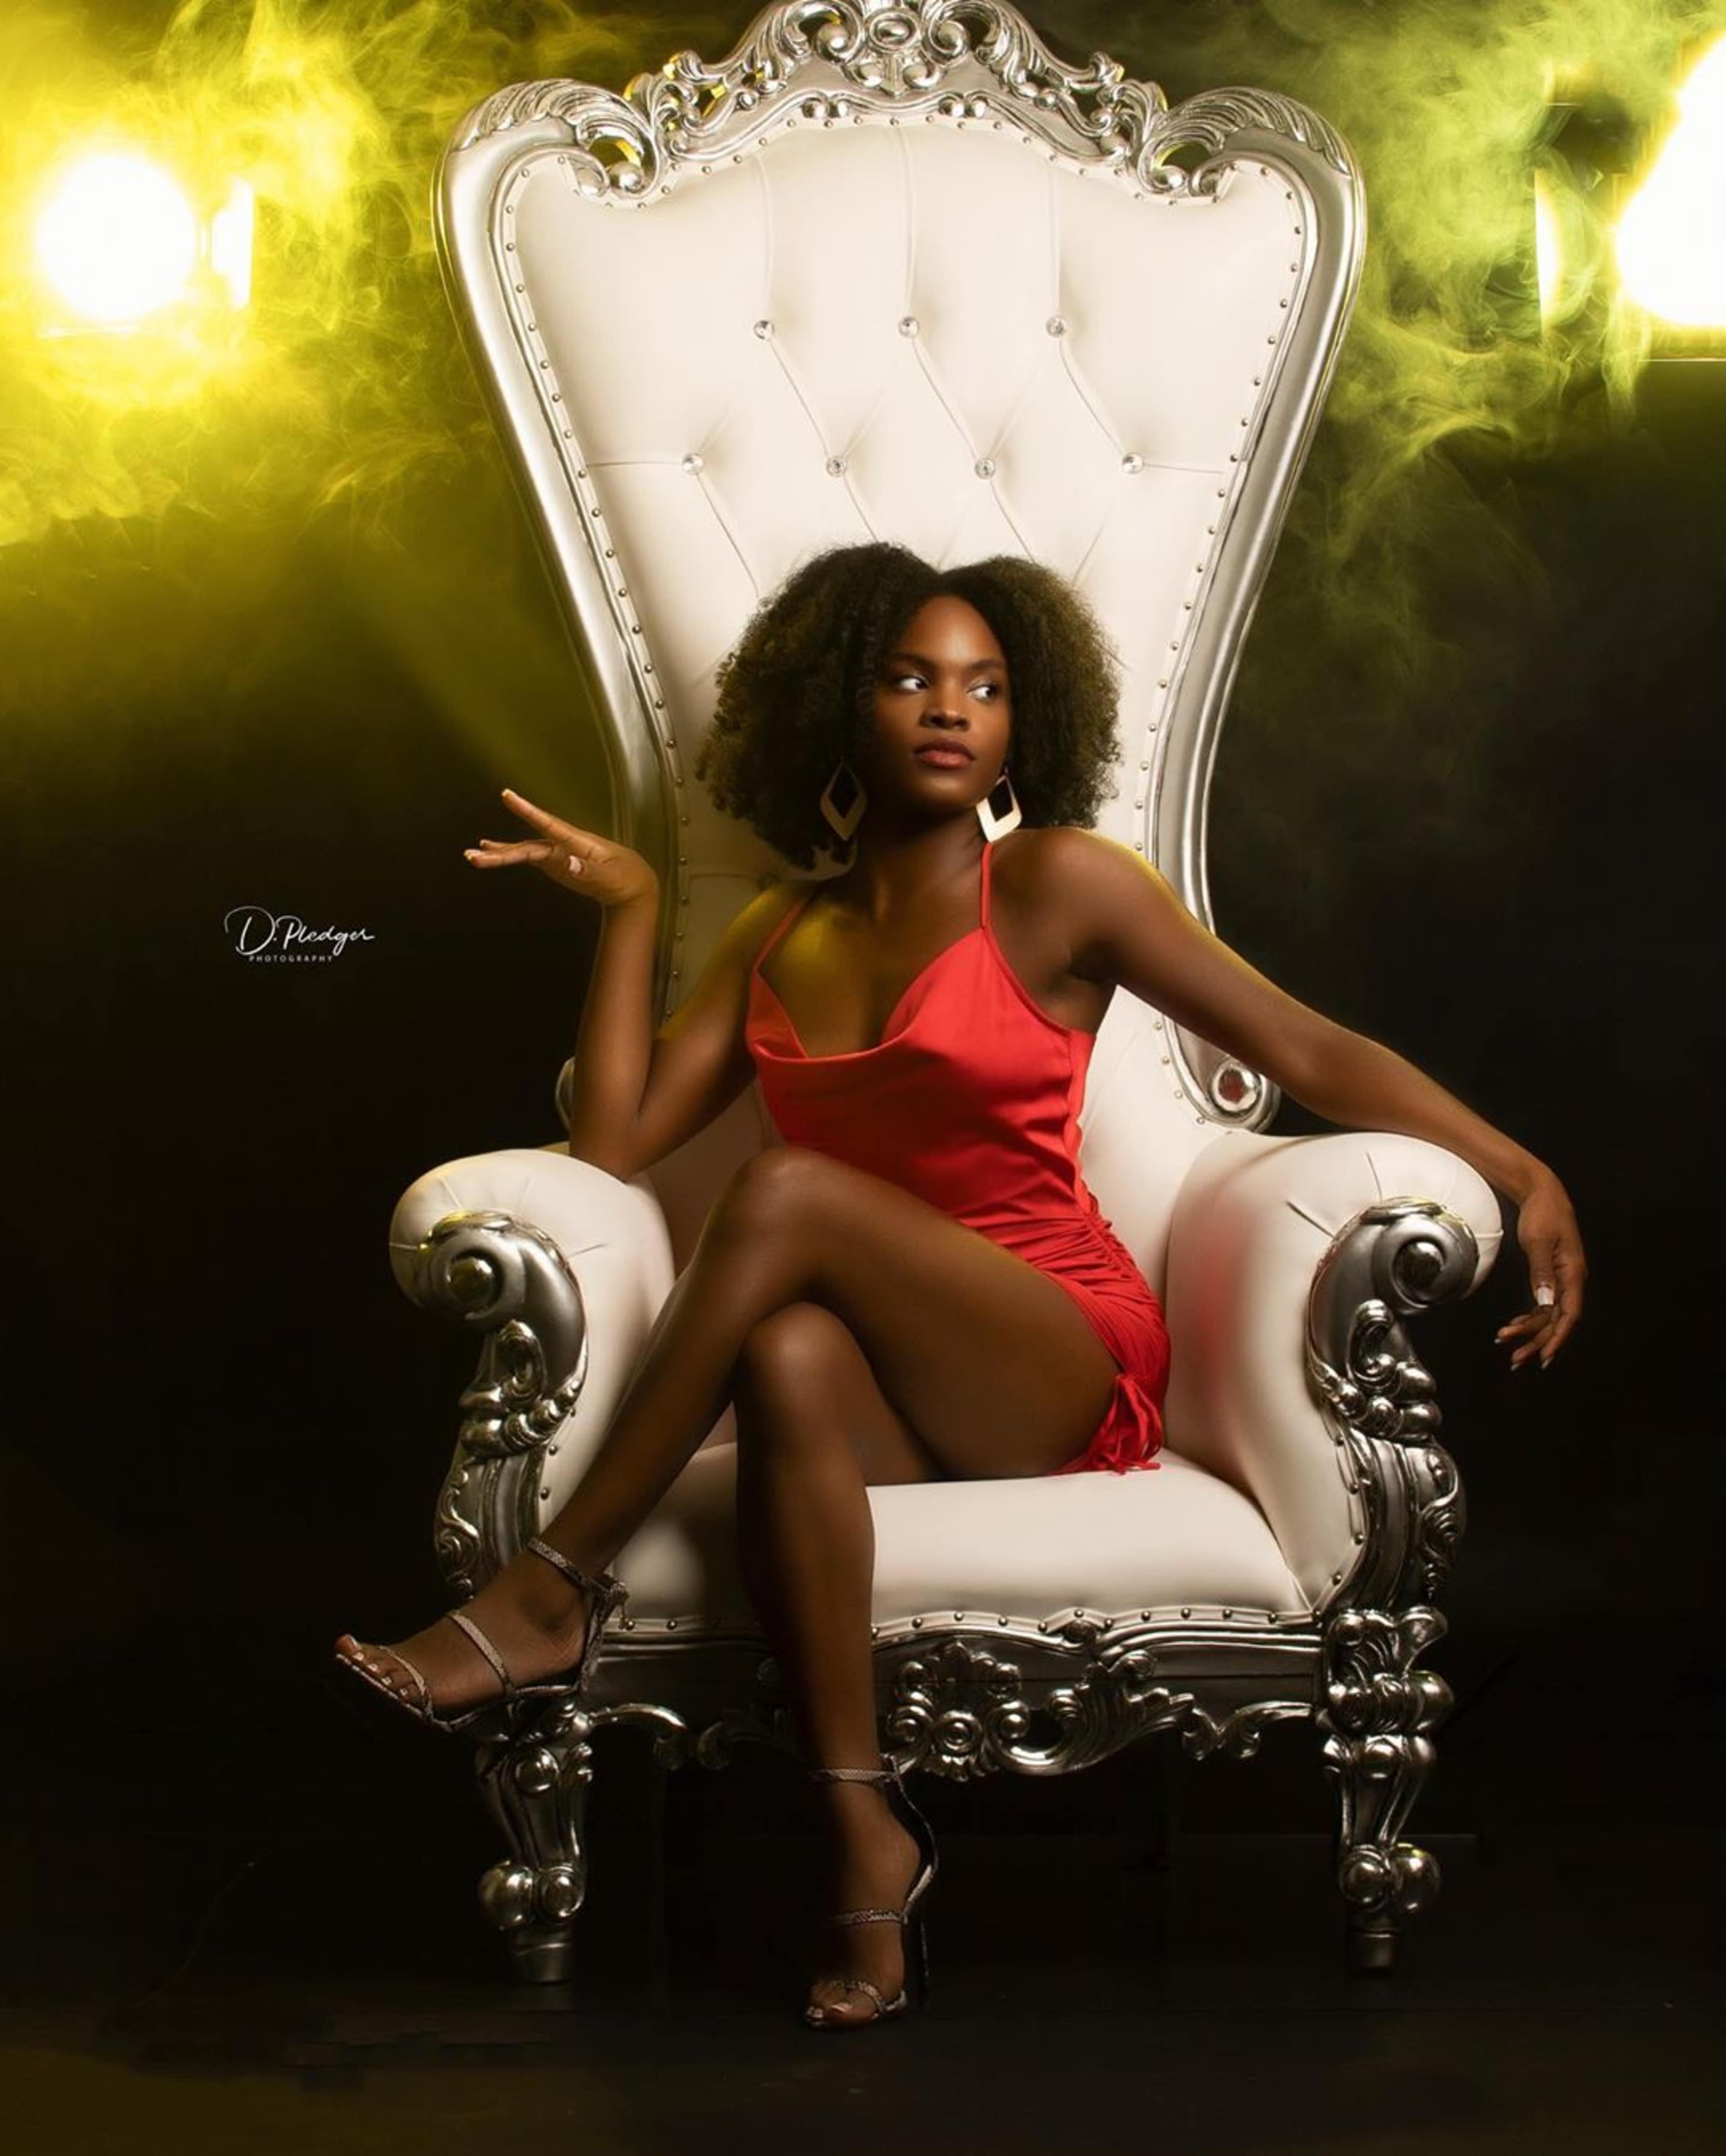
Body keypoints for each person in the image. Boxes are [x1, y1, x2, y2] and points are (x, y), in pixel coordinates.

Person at [334, 540, 1587, 2031]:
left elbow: (1308, 1049)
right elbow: (611, 1142)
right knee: (789, 1353)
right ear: (837, 708)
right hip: (885, 1378)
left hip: (1057, 1345)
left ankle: (549, 1587)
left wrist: (1521, 1170)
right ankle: (866, 1840)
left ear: (1023, 721)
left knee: (786, 1193)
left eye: (987, 687)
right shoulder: (773, 933)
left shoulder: (1058, 885)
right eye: (913, 677)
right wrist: (624, 909)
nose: (954, 709)